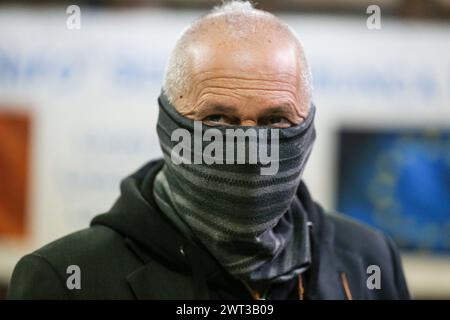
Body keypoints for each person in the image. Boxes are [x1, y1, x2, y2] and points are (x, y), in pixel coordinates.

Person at [7, 1, 410, 300]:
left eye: (275, 121)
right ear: (169, 125)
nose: (251, 151)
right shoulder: (65, 279)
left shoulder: (368, 260)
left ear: (307, 127)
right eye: (218, 119)